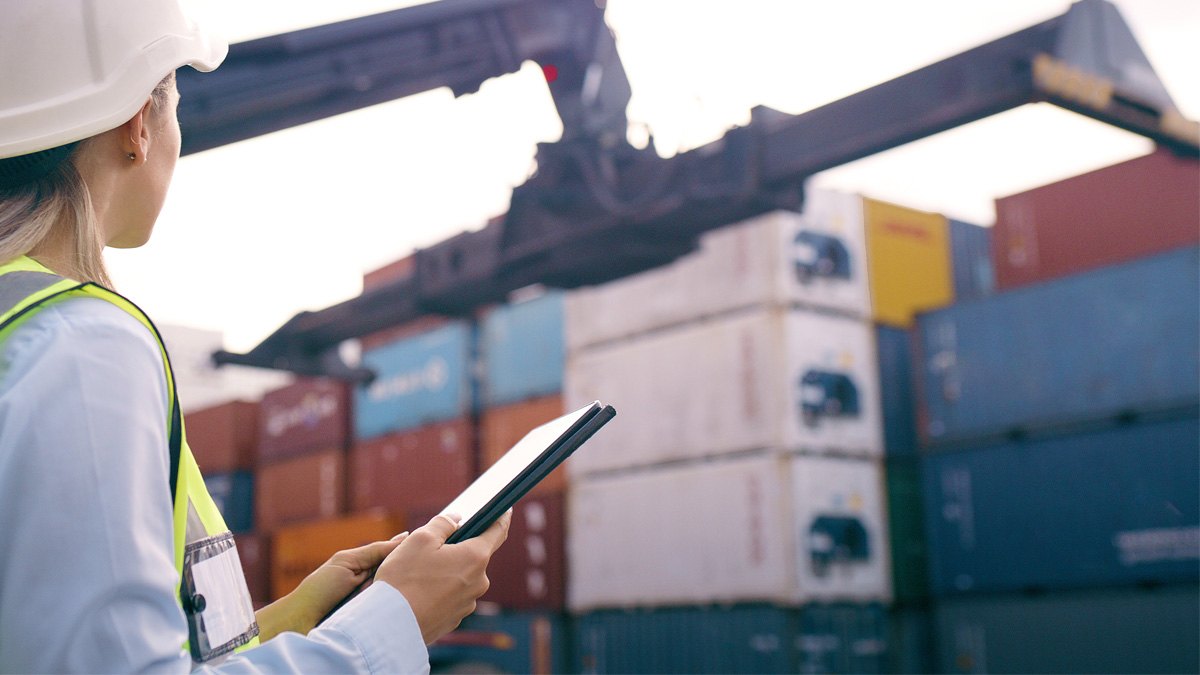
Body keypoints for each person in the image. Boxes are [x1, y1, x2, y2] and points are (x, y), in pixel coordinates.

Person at [0, 2, 510, 672]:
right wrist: (392, 624)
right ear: (137, 126)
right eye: (174, 100)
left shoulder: (24, 327)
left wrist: (298, 616)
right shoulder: (83, 345)